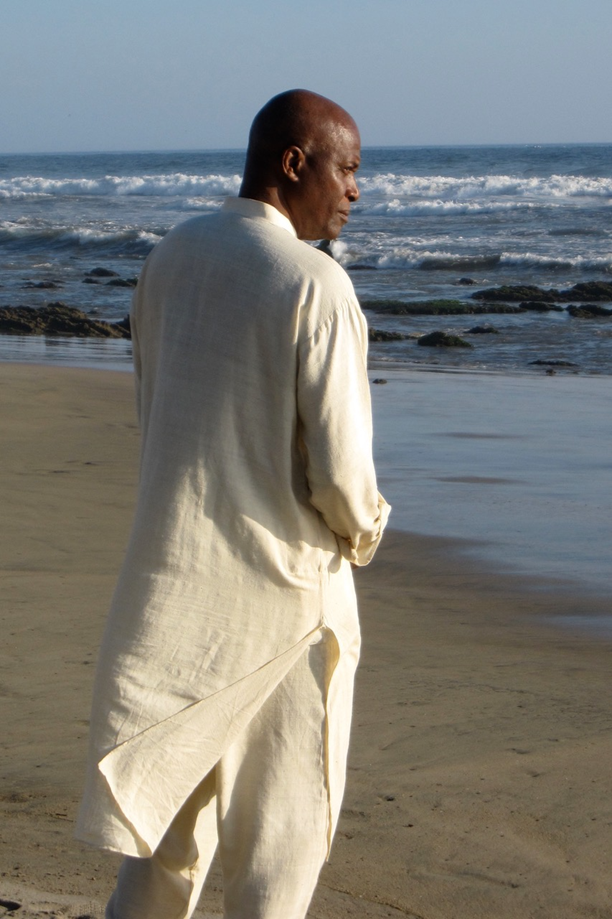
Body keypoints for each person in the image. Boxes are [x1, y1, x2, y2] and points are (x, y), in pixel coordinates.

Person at [76, 89, 390, 919]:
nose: (356, 190)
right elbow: (342, 481)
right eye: (347, 168)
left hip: (175, 594)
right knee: (280, 850)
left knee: (165, 848)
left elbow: (158, 408)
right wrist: (364, 536)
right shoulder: (314, 283)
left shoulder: (172, 255)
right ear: (296, 163)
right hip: (290, 606)